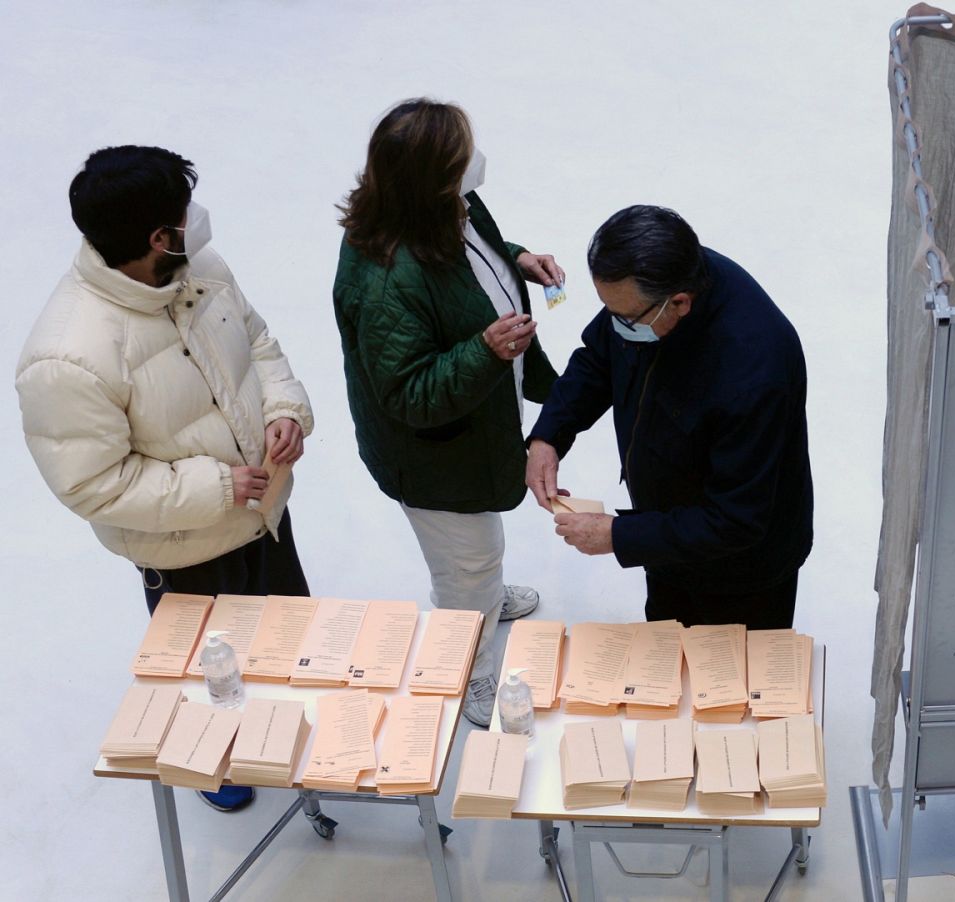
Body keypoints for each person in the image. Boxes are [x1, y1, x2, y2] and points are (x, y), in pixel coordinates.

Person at [16, 146, 314, 812]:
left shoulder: (201, 269)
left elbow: (259, 344)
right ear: (158, 236)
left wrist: (287, 410)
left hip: (266, 516)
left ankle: (291, 732)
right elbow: (93, 485)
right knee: (217, 681)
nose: (199, 221)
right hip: (187, 553)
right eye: (186, 214)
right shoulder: (67, 357)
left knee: (293, 644)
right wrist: (218, 488)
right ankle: (221, 766)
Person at [332, 99, 564, 727]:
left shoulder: (446, 209)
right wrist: (484, 350)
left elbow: (469, 251)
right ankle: (470, 667)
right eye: (463, 156)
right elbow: (408, 394)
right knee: (467, 561)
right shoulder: (386, 280)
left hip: (476, 426)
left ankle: (481, 597)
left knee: (477, 550)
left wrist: (512, 258)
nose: (476, 164)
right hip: (434, 457)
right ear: (432, 179)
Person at [526, 206, 813, 629]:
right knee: (665, 659)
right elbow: (597, 359)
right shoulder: (649, 295)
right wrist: (549, 434)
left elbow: (736, 520)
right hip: (667, 541)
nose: (615, 324)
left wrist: (618, 536)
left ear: (679, 303)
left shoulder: (753, 369)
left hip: (741, 575)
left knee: (730, 685)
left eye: (623, 317)